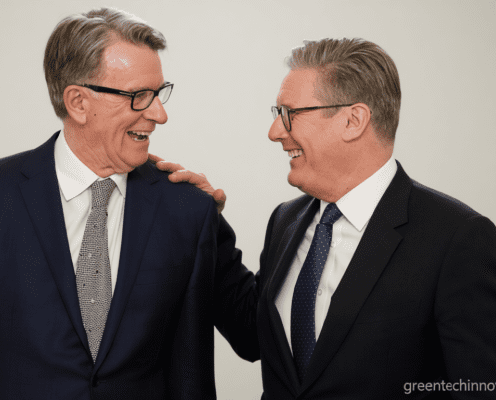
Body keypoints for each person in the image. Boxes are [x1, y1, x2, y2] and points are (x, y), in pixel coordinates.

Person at [0, 8, 258, 399]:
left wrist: (209, 222)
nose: (159, 114)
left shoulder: (187, 210)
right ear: (78, 102)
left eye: (159, 93)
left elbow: (254, 337)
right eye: (139, 96)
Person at [160, 38, 496, 398]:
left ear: (353, 121)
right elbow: (252, 335)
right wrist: (206, 225)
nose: (274, 132)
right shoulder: (286, 220)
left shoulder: (458, 239)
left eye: (289, 113)